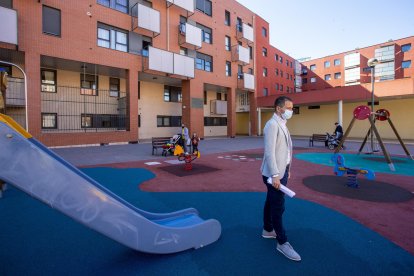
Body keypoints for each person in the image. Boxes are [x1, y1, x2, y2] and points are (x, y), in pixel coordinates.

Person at [260, 96, 301, 262]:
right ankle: (282, 242)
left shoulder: (282, 124)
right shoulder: (272, 125)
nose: (291, 111)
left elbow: (285, 151)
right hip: (273, 174)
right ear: (279, 108)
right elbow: (269, 152)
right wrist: (276, 175)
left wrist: (287, 170)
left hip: (280, 172)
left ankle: (268, 229)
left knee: (271, 202)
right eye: (289, 108)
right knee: (278, 206)